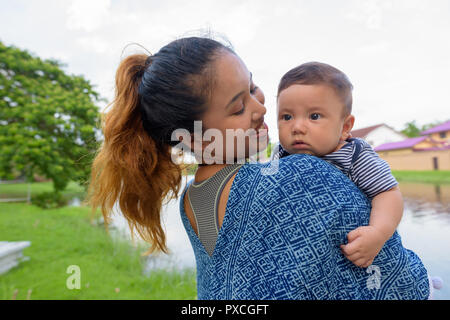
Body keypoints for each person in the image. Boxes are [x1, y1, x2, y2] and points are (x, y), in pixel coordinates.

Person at [87, 36, 430, 299]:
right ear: (196, 138)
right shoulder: (301, 176)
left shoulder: (190, 200)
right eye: (238, 108)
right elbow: (404, 283)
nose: (260, 107)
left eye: (252, 86)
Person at [272, 62, 402, 268]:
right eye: (286, 117)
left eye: (314, 116)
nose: (297, 127)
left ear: (345, 127)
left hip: (349, 248)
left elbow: (387, 193)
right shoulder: (280, 155)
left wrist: (378, 233)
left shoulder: (355, 155)